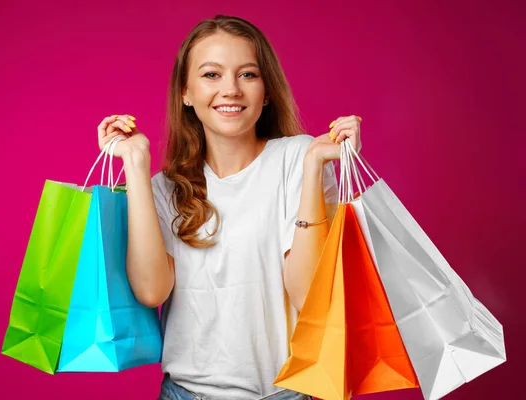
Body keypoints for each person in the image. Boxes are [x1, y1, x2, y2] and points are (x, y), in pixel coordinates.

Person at [97, 14, 361, 400]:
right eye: (211, 75)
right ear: (185, 92)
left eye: (248, 75)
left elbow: (309, 296)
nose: (231, 90)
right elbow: (152, 291)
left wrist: (313, 167)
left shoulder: (300, 158)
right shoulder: (164, 188)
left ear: (266, 90)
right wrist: (136, 163)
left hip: (285, 394)